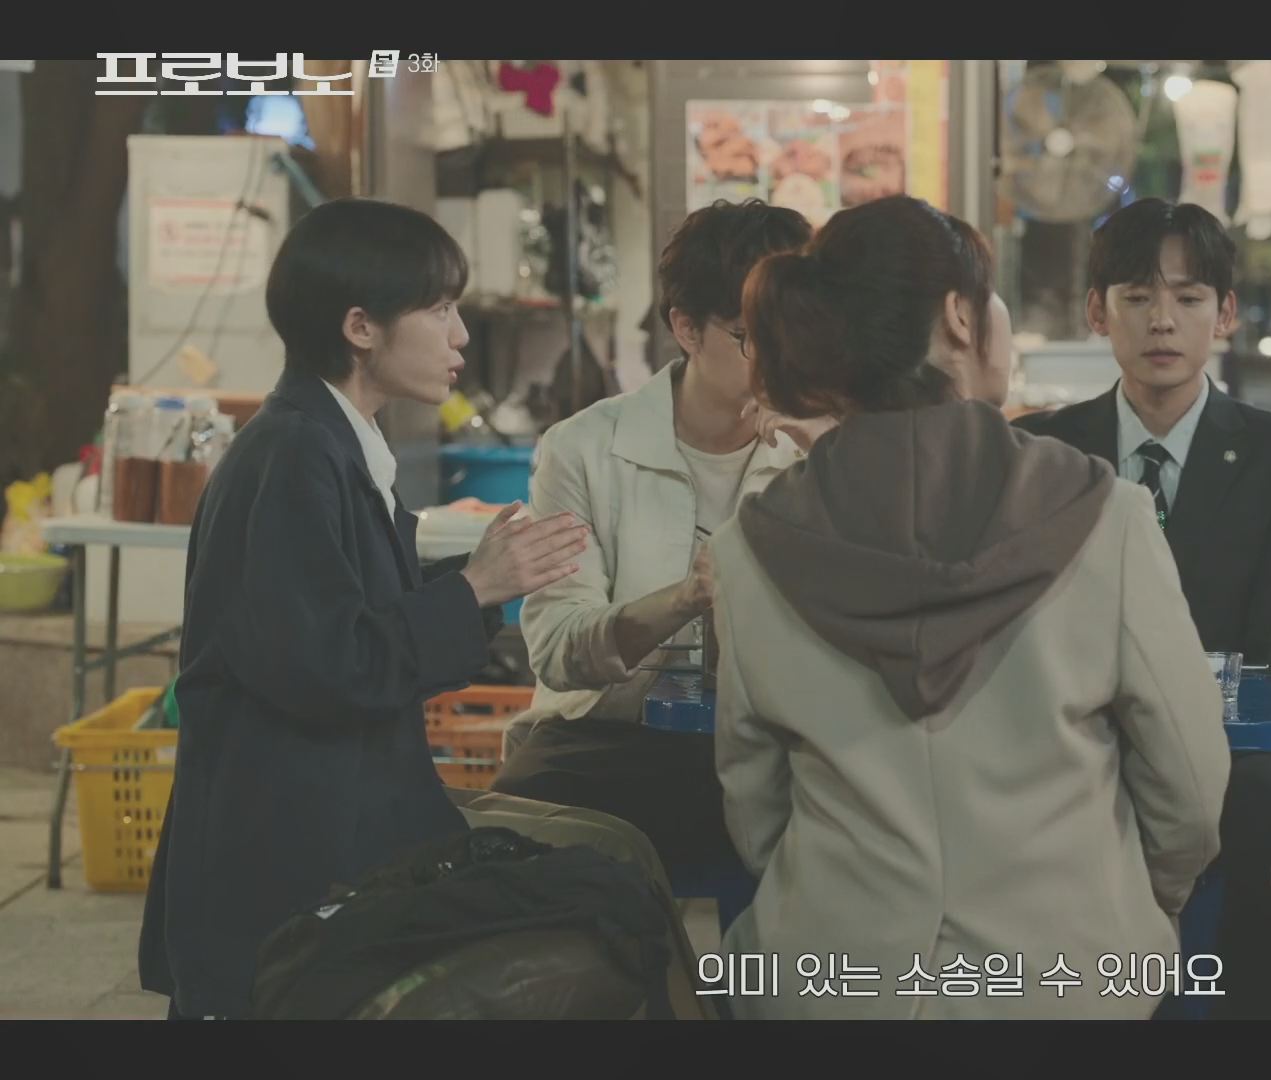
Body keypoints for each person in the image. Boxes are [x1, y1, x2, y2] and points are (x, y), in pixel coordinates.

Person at [707, 195, 1231, 1019]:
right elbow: (1190, 784)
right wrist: (1140, 904)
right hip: (1066, 984)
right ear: (959, 317)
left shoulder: (750, 546)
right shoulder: (1107, 514)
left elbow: (754, 800)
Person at [138, 198, 589, 1019]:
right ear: (360, 328)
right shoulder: (292, 454)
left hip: (332, 827)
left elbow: (355, 610)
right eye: (439, 309)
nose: (459, 335)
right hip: (285, 857)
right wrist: (474, 588)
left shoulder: (338, 440)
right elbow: (331, 665)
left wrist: (489, 577)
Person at [1011, 198, 1271, 1019]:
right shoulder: (1040, 451)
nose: (1162, 320)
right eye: (1137, 297)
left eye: (1189, 298)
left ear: (1224, 314)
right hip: (1076, 729)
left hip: (1229, 743)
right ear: (1097, 311)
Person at [488, 200, 825, 887]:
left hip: (772, 744)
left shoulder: (820, 444)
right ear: (685, 328)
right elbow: (559, 651)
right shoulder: (585, 448)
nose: (784, 357)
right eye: (752, 336)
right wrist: (686, 597)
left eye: (799, 330)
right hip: (611, 739)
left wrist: (829, 453)